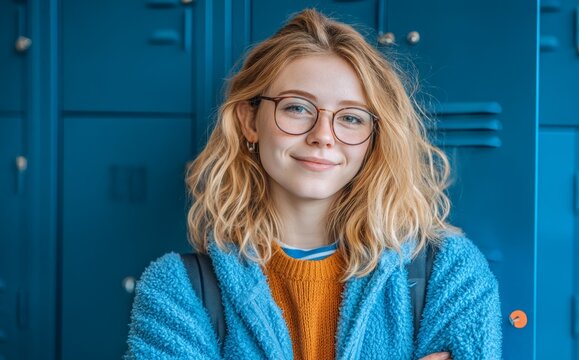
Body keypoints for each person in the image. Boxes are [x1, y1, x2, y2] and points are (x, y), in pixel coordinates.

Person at [125, 9, 501, 360]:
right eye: (297, 108)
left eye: (351, 118)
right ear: (250, 121)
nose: (324, 135)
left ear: (375, 136)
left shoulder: (449, 271)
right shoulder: (177, 288)